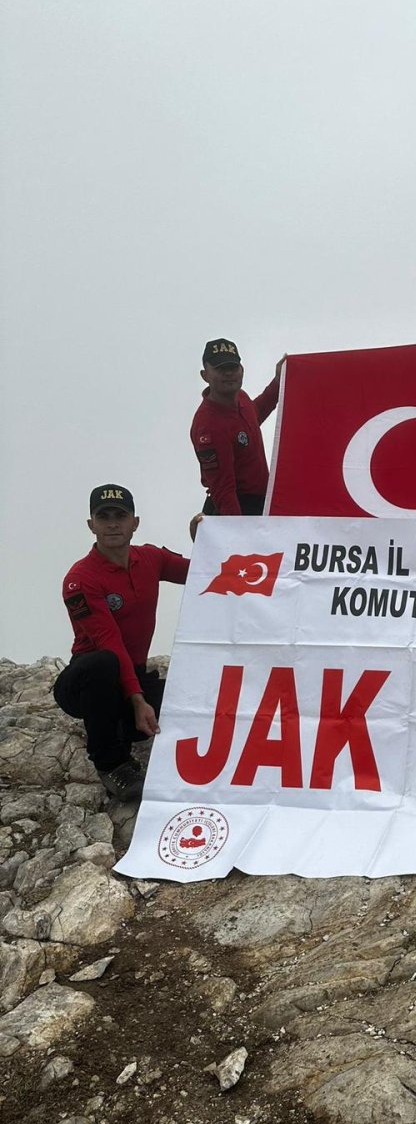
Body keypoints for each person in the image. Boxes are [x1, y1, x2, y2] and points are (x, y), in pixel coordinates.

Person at [53, 486, 189, 800]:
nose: (113, 523)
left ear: (134, 522)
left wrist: (209, 532)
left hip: (133, 677)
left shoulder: (151, 558)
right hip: (89, 682)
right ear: (92, 525)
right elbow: (108, 642)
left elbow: (204, 570)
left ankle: (122, 727)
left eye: (120, 515)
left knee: (185, 694)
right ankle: (112, 766)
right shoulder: (80, 579)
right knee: (104, 662)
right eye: (104, 517)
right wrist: (139, 700)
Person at [190, 337, 285, 515]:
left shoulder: (240, 397)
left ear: (241, 369)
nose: (228, 373)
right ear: (205, 375)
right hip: (236, 507)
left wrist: (278, 381)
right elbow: (223, 489)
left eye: (232, 367)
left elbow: (254, 415)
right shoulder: (208, 426)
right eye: (220, 369)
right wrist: (238, 531)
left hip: (259, 502)